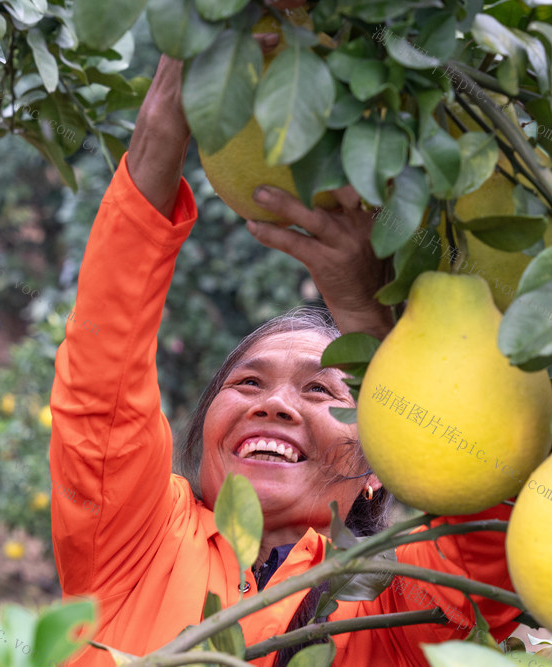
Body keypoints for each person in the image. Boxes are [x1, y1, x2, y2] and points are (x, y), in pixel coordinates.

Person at [49, 42, 520, 667]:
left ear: (383, 460)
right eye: (245, 384)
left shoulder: (394, 607)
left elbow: (482, 504)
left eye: (322, 390)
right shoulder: (137, 543)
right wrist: (166, 117)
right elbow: (100, 387)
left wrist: (364, 317)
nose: (273, 405)